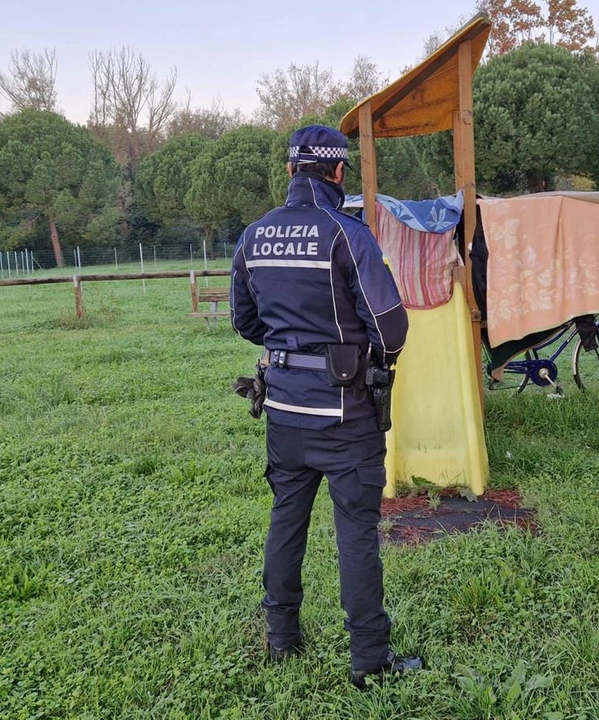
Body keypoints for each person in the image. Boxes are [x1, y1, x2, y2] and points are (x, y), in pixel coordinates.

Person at [229, 124, 422, 689]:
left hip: (283, 411)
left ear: (291, 169)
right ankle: (370, 661)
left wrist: (290, 347)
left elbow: (245, 322)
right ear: (339, 173)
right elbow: (391, 328)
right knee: (356, 532)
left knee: (286, 520)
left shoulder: (253, 236)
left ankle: (282, 640)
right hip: (345, 414)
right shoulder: (347, 233)